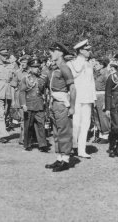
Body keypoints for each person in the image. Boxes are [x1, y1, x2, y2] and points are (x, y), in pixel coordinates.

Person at [45, 42, 76, 172]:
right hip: (54, 104)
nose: (51, 53)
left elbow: (73, 89)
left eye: (53, 51)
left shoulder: (64, 68)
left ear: (61, 53)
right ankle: (59, 158)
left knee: (64, 132)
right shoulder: (55, 69)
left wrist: (72, 107)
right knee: (56, 133)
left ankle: (66, 160)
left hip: (62, 105)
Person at [68, 39, 96, 159]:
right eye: (87, 50)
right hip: (77, 97)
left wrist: (93, 97)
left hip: (87, 97)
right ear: (80, 50)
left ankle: (81, 149)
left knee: (85, 124)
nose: (90, 51)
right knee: (75, 124)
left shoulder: (89, 64)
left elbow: (91, 82)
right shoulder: (72, 63)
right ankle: (72, 147)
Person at [19, 58, 49, 151]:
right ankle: (27, 144)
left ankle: (42, 144)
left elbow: (47, 90)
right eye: (34, 67)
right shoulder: (26, 78)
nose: (37, 69)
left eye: (38, 67)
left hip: (39, 104)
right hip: (29, 104)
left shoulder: (44, 78)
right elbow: (22, 92)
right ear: (30, 68)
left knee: (41, 124)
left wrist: (47, 102)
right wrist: (23, 104)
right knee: (28, 125)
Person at [93, 58, 111, 144]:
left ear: (102, 65)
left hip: (102, 96)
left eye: (96, 64)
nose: (94, 66)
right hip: (95, 96)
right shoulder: (96, 74)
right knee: (96, 116)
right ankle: (101, 134)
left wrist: (106, 102)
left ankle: (106, 135)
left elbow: (109, 89)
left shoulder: (106, 74)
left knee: (103, 116)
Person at [14, 55, 31, 145]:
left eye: (24, 62)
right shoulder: (18, 73)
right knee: (22, 119)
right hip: (20, 98)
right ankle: (23, 138)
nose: (23, 64)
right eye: (21, 62)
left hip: (31, 98)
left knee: (29, 118)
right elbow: (14, 85)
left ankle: (27, 137)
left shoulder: (31, 72)